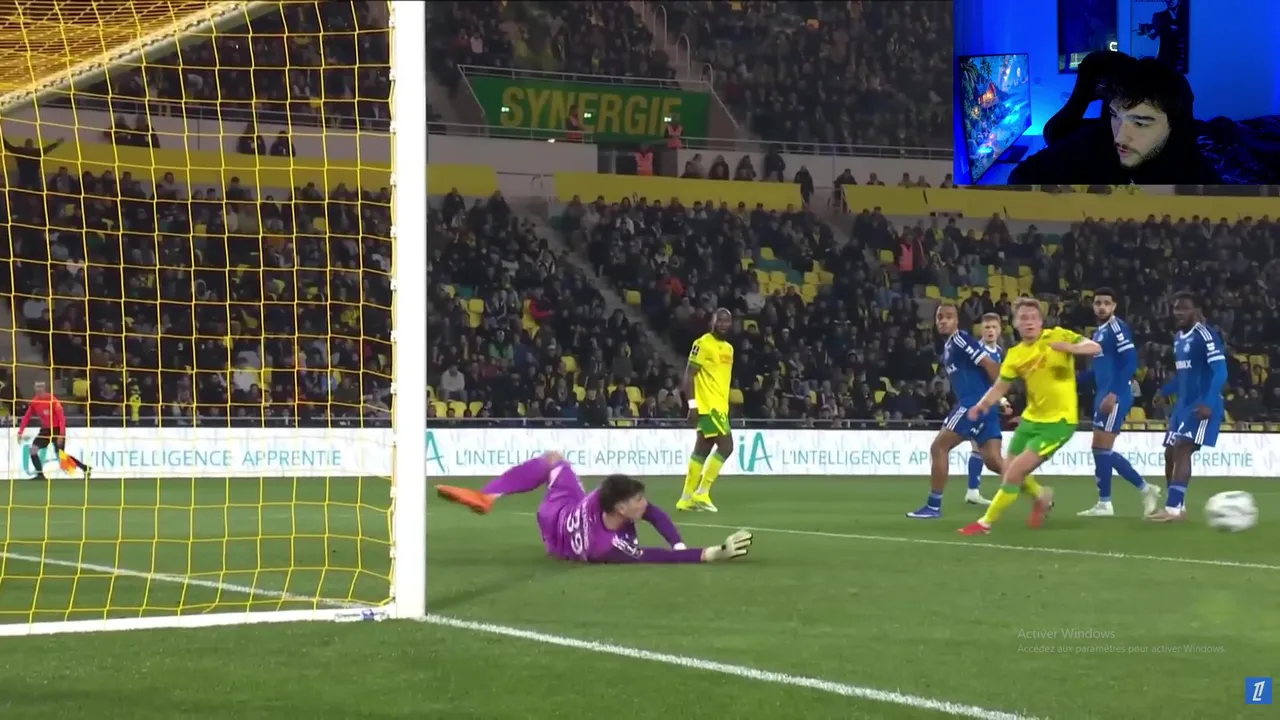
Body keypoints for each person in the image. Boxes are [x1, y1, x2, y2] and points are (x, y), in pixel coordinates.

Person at [434, 453, 753, 564]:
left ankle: (489, 495)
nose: (645, 504)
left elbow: (652, 513)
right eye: (638, 500)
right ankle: (487, 496)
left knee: (553, 460)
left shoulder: (604, 495)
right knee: (629, 538)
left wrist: (678, 542)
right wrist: (713, 552)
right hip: (557, 531)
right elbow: (659, 556)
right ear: (621, 507)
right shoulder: (608, 548)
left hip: (561, 511)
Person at [958, 299, 1101, 535]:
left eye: (1033, 318)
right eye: (1023, 318)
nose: (1029, 322)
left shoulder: (1057, 335)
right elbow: (1000, 386)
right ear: (1015, 323)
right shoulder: (1015, 354)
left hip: (1059, 422)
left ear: (1041, 321)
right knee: (1008, 470)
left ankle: (985, 523)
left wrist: (1070, 348)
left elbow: (1094, 347)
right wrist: (982, 405)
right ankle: (1041, 496)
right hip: (1031, 419)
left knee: (1015, 473)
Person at [1008, 55, 1220, 185]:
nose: (1119, 136)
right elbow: (1021, 177)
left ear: (1174, 126)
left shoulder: (1197, 180)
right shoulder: (1099, 138)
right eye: (1115, 115)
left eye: (1140, 123)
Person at [906, 306, 1002, 519]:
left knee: (939, 447)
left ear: (957, 321)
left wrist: (999, 393)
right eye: (939, 317)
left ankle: (933, 506)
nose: (943, 321)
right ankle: (1037, 494)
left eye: (949, 317)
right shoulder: (949, 345)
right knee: (995, 462)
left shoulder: (960, 340)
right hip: (985, 406)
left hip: (972, 404)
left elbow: (990, 365)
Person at [1077, 289, 1161, 517]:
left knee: (1102, 448)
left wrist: (1114, 393)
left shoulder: (1117, 328)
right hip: (1103, 393)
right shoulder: (1098, 333)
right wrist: (1073, 380)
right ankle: (1138, 491)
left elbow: (1130, 362)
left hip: (1116, 394)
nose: (1101, 307)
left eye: (1106, 303)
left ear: (1114, 306)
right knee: (1100, 449)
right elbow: (1098, 370)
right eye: (1098, 303)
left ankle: (1113, 500)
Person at [1147, 292, 1226, 523]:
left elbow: (1221, 371)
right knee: (1169, 454)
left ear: (1196, 310)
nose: (1179, 313)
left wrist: (1208, 402)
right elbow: (1185, 374)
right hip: (1183, 405)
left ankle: (1172, 509)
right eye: (1176, 308)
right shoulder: (1179, 338)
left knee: (1182, 449)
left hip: (1201, 403)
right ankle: (1177, 506)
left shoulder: (1205, 334)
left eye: (1184, 308)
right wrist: (1164, 392)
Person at [678, 308, 735, 513]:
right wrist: (692, 405)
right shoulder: (702, 344)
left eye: (727, 321)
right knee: (726, 446)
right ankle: (702, 492)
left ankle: (686, 498)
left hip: (720, 406)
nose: (724, 324)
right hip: (708, 406)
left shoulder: (729, 348)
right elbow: (689, 375)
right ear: (712, 321)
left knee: (701, 450)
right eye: (720, 320)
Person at [16, 382, 91, 480]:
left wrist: (61, 434)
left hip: (57, 429)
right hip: (46, 430)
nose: (39, 389)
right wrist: (20, 432)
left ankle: (85, 468)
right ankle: (40, 474)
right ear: (34, 388)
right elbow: (27, 417)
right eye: (37, 387)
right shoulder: (35, 402)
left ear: (44, 388)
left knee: (60, 455)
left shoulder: (52, 400)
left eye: (41, 387)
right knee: (33, 450)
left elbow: (61, 418)